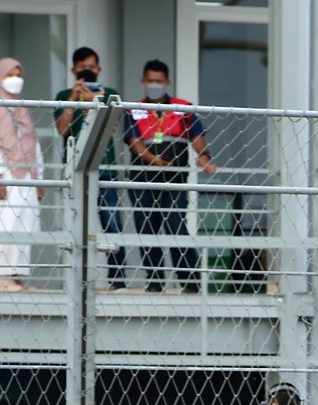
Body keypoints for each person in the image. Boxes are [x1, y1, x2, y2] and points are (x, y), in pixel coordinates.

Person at [123, 60, 216, 293]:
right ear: (143, 82)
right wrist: (159, 162)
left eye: (159, 81)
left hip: (175, 179)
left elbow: (196, 136)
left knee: (176, 225)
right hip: (142, 178)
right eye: (151, 81)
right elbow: (134, 144)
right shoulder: (133, 109)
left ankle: (191, 282)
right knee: (147, 228)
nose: (155, 85)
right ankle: (154, 283)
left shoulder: (183, 107)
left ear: (167, 83)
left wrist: (204, 157)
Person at [54, 47, 126, 289]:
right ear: (74, 70)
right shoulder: (64, 95)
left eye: (93, 67)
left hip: (104, 170)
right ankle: (75, 280)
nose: (88, 71)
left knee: (112, 223)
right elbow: (62, 130)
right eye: (83, 66)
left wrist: (94, 103)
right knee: (75, 226)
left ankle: (118, 280)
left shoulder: (110, 94)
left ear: (99, 70)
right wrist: (73, 101)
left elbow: (112, 126)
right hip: (75, 172)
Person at [0, 57, 42, 292]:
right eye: (10, 75)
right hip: (2, 175)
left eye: (19, 75)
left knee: (24, 226)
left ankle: (16, 279)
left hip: (25, 177)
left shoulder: (21, 108)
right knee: (2, 225)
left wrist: (38, 178)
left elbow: (32, 144)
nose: (15, 80)